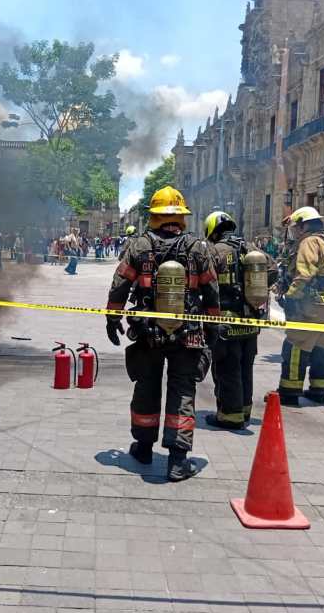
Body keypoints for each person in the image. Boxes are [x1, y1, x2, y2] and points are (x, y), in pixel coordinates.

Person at [105, 185, 219, 481]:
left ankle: (143, 448)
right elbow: (211, 290)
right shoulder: (198, 247)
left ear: (154, 216)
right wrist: (213, 327)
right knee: (183, 391)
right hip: (189, 335)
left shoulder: (140, 246)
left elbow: (120, 283)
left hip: (147, 334)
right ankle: (178, 461)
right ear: (181, 217)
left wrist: (112, 317)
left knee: (146, 385)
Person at [203, 210, 277, 429]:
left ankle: (229, 415)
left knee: (227, 368)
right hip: (250, 321)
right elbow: (273, 270)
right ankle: (245, 411)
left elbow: (202, 280)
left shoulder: (214, 250)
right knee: (246, 366)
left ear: (212, 230)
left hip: (225, 320)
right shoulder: (252, 248)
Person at [275, 207, 324, 406]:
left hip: (310, 305)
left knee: (295, 346)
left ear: (304, 225)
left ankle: (289, 391)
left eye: (296, 227)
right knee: (321, 348)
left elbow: (304, 273)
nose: (294, 232)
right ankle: (318, 390)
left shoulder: (309, 242)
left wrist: (290, 296)